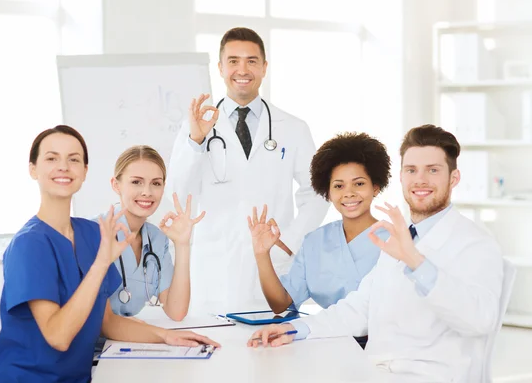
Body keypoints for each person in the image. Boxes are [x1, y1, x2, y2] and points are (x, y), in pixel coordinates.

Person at [248, 125, 504, 383]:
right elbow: (360, 308)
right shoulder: (399, 236)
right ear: (401, 177)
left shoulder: (475, 243)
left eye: (433, 170)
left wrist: (415, 262)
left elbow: (481, 320)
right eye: (412, 170)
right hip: (373, 371)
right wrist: (292, 329)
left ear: (454, 178)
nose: (421, 179)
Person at [0, 125, 219, 382]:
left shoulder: (91, 233)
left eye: (73, 159)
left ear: (85, 171)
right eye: (52, 158)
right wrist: (101, 263)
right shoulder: (29, 244)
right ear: (33, 169)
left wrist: (166, 336)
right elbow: (58, 337)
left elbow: (107, 323)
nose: (64, 166)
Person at [167, 27, 329, 308]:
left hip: (269, 266)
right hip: (212, 271)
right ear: (220, 68)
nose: (242, 69)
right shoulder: (194, 128)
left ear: (264, 68)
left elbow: (317, 192)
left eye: (252, 61)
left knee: (269, 346)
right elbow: (178, 193)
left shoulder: (292, 128)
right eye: (233, 61)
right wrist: (196, 141)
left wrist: (288, 242)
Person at [248, 132, 391, 316]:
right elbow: (280, 303)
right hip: (327, 337)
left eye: (359, 184)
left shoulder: (395, 239)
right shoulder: (315, 242)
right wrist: (262, 254)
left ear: (376, 187)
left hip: (380, 341)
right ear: (328, 192)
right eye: (339, 186)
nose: (348, 193)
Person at [102, 145, 201, 320]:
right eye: (136, 182)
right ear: (116, 185)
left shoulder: (157, 239)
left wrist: (182, 245)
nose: (147, 192)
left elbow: (176, 312)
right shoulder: (93, 231)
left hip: (128, 342)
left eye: (156, 183)